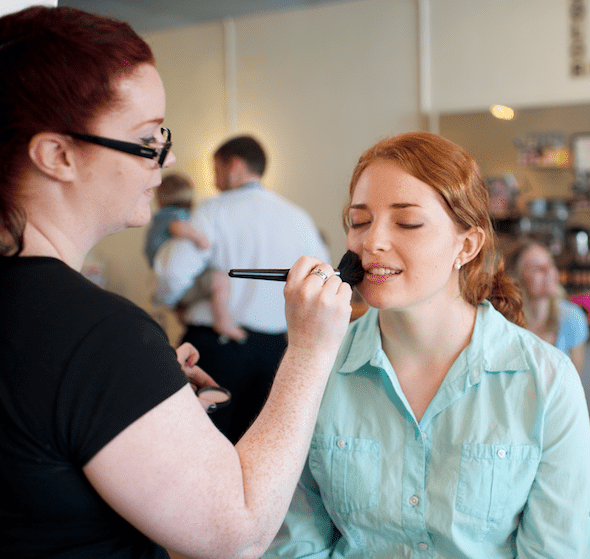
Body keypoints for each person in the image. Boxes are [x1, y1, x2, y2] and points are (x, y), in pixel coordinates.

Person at [0, 6, 351, 559]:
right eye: (146, 140)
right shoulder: (98, 335)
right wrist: (310, 350)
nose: (163, 163)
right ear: (57, 155)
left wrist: (135, 389)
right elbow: (237, 533)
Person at [265, 132, 590, 558]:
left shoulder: (546, 380)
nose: (372, 243)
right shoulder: (319, 367)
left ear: (467, 244)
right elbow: (294, 543)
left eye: (407, 222)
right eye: (360, 221)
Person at [154, 135, 331, 443]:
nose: (214, 178)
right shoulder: (298, 218)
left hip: (214, 350)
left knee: (198, 447)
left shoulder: (212, 211)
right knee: (258, 449)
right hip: (275, 353)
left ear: (234, 166)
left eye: (217, 169)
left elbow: (173, 272)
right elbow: (323, 278)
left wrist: (168, 302)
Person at [145, 172, 246, 341]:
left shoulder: (158, 218)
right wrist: (200, 238)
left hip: (158, 279)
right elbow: (178, 227)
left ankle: (182, 314)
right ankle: (223, 321)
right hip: (171, 279)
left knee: (183, 307)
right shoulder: (175, 216)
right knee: (220, 279)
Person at [505, 240, 590, 373]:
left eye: (549, 264)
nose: (548, 271)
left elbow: (574, 382)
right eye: (536, 268)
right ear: (516, 278)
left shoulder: (572, 317)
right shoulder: (504, 322)